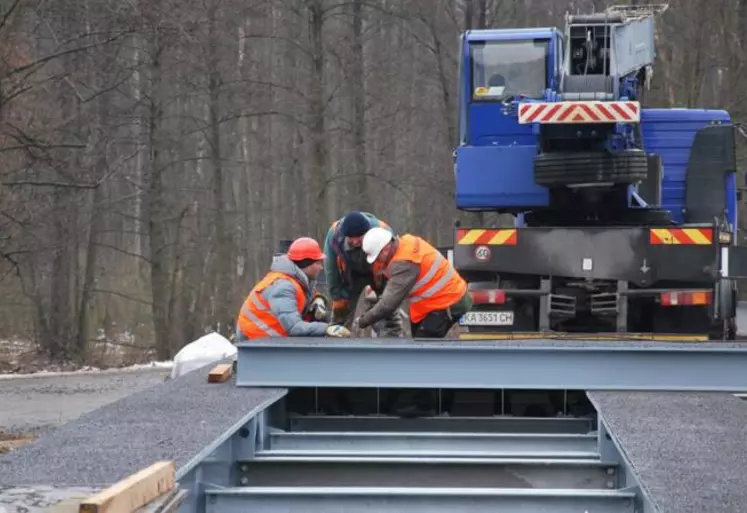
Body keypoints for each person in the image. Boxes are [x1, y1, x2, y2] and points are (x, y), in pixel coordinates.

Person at [354, 227, 472, 338]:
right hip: (434, 302)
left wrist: (363, 320)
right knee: (418, 344)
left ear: (385, 249)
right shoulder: (406, 242)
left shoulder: (405, 264)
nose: (378, 262)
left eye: (378, 258)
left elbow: (387, 304)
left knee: (422, 350)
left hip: (449, 301)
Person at [235, 237, 351, 341]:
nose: (321, 267)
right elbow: (294, 328)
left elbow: (303, 298)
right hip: (255, 344)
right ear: (307, 264)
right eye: (318, 263)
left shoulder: (295, 281)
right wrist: (327, 329)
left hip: (268, 342)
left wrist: (317, 300)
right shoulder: (283, 287)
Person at [324, 211, 404, 336]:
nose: (356, 241)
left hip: (379, 272)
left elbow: (393, 260)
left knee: (388, 313)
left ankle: (392, 341)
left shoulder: (383, 232)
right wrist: (337, 295)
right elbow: (330, 269)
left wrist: (389, 293)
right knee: (340, 314)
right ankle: (337, 345)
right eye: (351, 238)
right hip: (350, 274)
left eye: (360, 237)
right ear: (345, 235)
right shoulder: (334, 236)